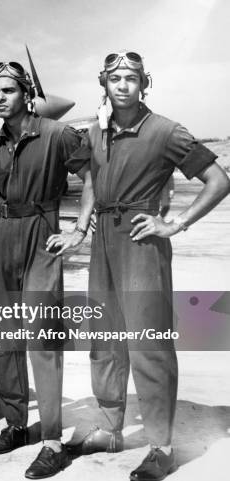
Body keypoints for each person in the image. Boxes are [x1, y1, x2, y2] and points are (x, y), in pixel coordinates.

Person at [66, 51, 230, 481]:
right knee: (103, 338)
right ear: (103, 82)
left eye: (132, 78)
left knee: (147, 343)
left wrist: (174, 223)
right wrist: (81, 227)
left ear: (144, 84)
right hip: (103, 241)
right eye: (115, 78)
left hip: (141, 242)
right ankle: (109, 427)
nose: (123, 85)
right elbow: (90, 181)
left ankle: (161, 445)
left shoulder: (165, 131)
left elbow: (220, 181)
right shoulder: (95, 131)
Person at [0, 62, 93, 479]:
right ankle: (15, 424)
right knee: (3, 338)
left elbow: (91, 173)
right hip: (2, 234)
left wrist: (78, 229)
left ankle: (52, 441)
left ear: (27, 94)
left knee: (43, 337)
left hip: (42, 233)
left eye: (7, 90)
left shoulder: (58, 134)